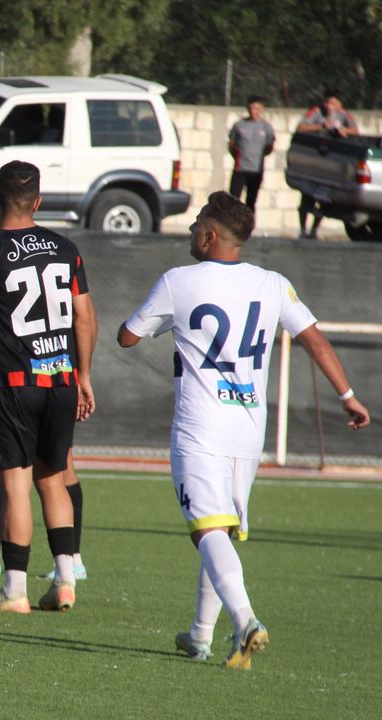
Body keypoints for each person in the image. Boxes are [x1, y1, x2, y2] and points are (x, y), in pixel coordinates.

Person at [117, 191, 370, 669]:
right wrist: (348, 396)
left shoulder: (178, 281)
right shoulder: (272, 283)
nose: (191, 229)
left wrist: (169, 322)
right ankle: (199, 636)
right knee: (221, 530)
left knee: (207, 531)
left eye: (196, 223)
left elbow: (127, 337)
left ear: (210, 236)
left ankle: (246, 620)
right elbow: (314, 339)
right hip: (248, 431)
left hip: (200, 427)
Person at [0, 161, 97, 613]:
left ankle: (14, 589)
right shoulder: (66, 247)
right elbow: (85, 316)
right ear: (39, 202)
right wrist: (84, 376)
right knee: (53, 478)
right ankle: (65, 579)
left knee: (15, 484)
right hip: (61, 379)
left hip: (14, 384)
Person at [295, 89, 358, 239]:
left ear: (339, 104)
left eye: (333, 103)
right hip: (314, 160)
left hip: (331, 164)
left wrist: (344, 131)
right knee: (306, 196)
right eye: (327, 102)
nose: (329, 106)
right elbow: (300, 128)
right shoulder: (316, 112)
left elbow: (355, 131)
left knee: (324, 199)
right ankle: (302, 229)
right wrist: (320, 127)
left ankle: (314, 230)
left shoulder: (343, 114)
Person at [227, 96, 275, 214]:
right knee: (233, 200)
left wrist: (258, 156)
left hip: (256, 171)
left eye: (256, 108)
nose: (253, 111)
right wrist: (237, 157)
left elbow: (269, 147)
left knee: (251, 202)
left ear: (262, 109)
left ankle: (248, 224)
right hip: (240, 169)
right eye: (251, 108)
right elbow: (231, 144)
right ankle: (232, 224)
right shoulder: (239, 125)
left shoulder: (266, 127)